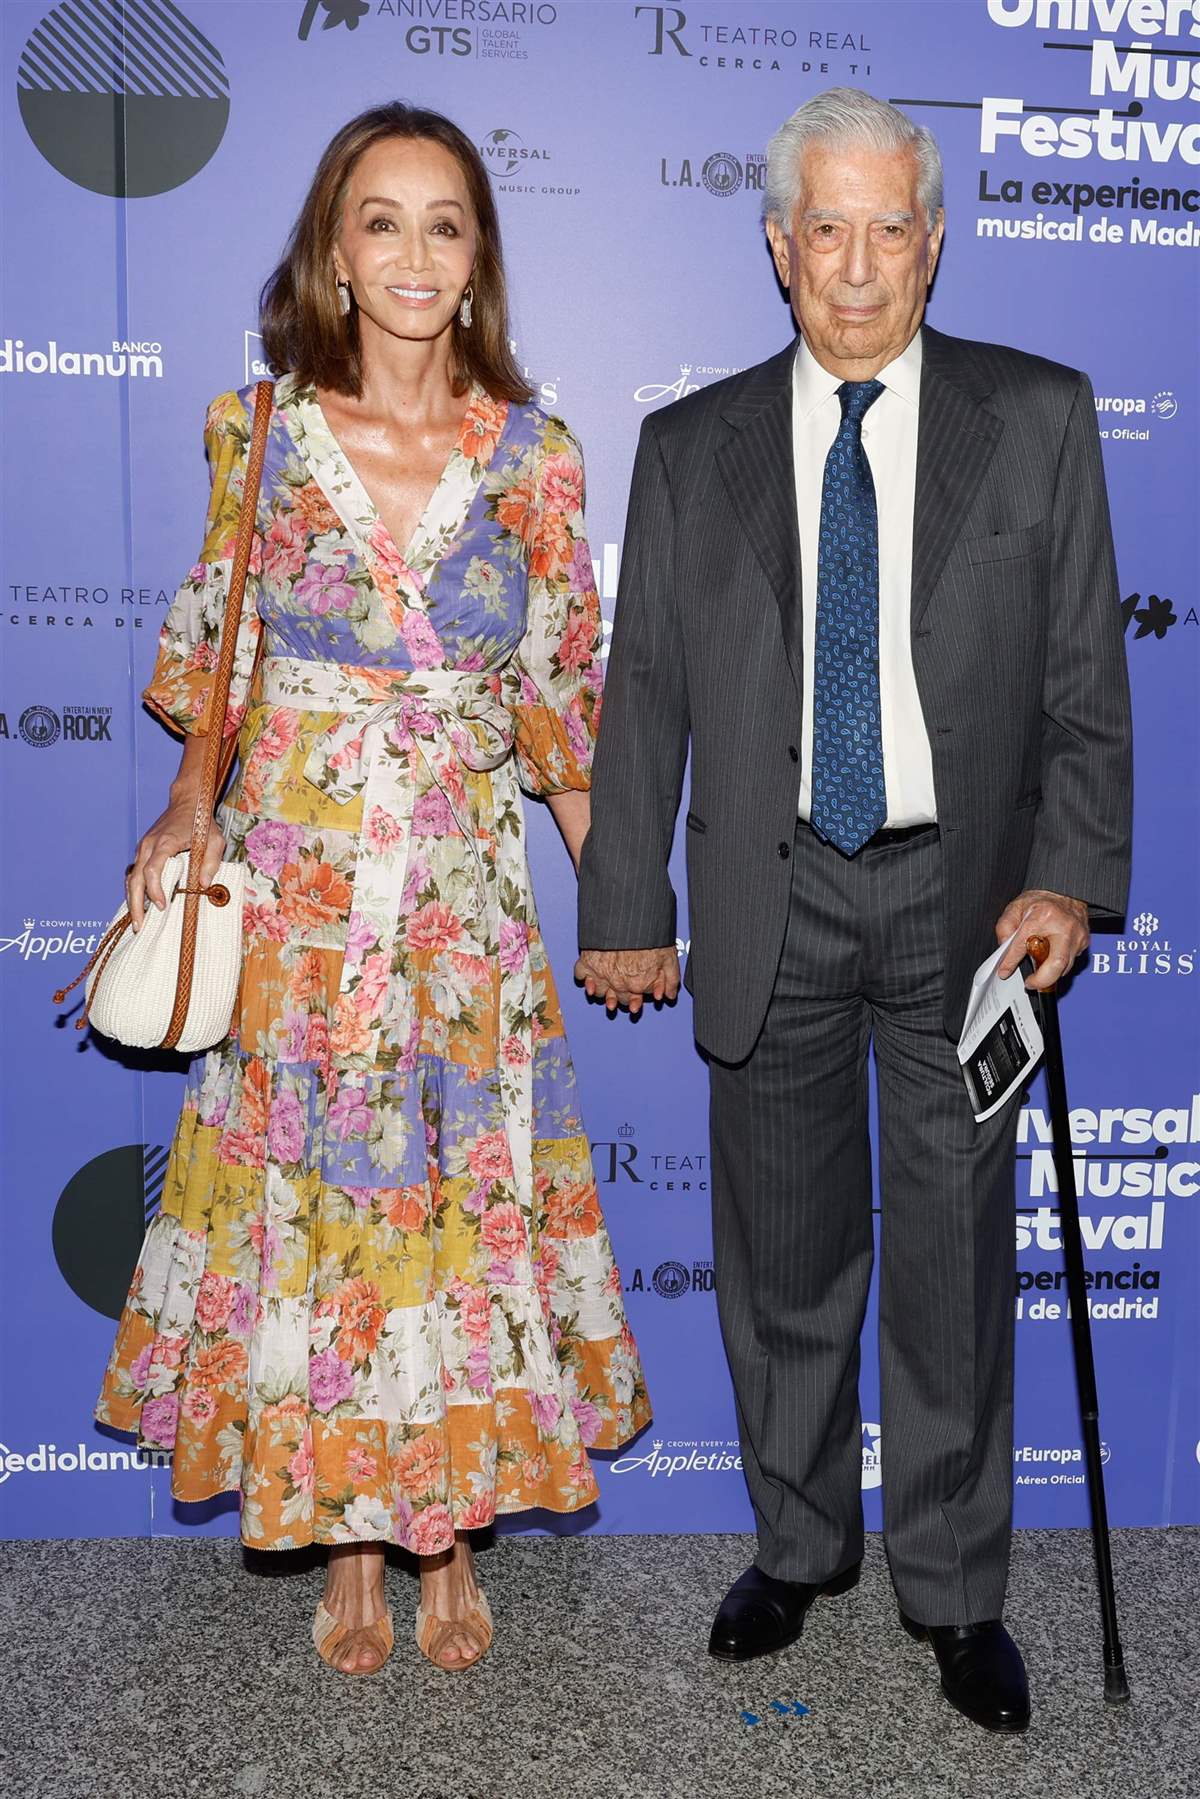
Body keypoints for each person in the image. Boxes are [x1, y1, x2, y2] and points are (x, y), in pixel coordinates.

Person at [577, 87, 1131, 1734]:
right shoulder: (692, 448)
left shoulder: (1039, 417)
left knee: (959, 1260)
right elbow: (647, 690)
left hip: (966, 908)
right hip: (776, 893)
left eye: (894, 227)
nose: (861, 264)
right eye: (828, 228)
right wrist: (626, 899)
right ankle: (798, 1549)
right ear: (777, 248)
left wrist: (1072, 873)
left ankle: (957, 1593)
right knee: (786, 1260)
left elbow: (1087, 684)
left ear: (936, 243)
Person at [97, 101, 650, 1677]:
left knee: (463, 1202)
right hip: (306, 892)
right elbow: (217, 658)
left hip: (465, 904)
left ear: (479, 260)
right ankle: (349, 1535)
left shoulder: (537, 457)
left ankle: (451, 1527)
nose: (414, 254)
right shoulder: (253, 431)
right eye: (382, 221)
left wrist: (617, 898)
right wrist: (189, 808)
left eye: (446, 224)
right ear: (334, 253)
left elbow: (560, 703)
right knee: (319, 1205)